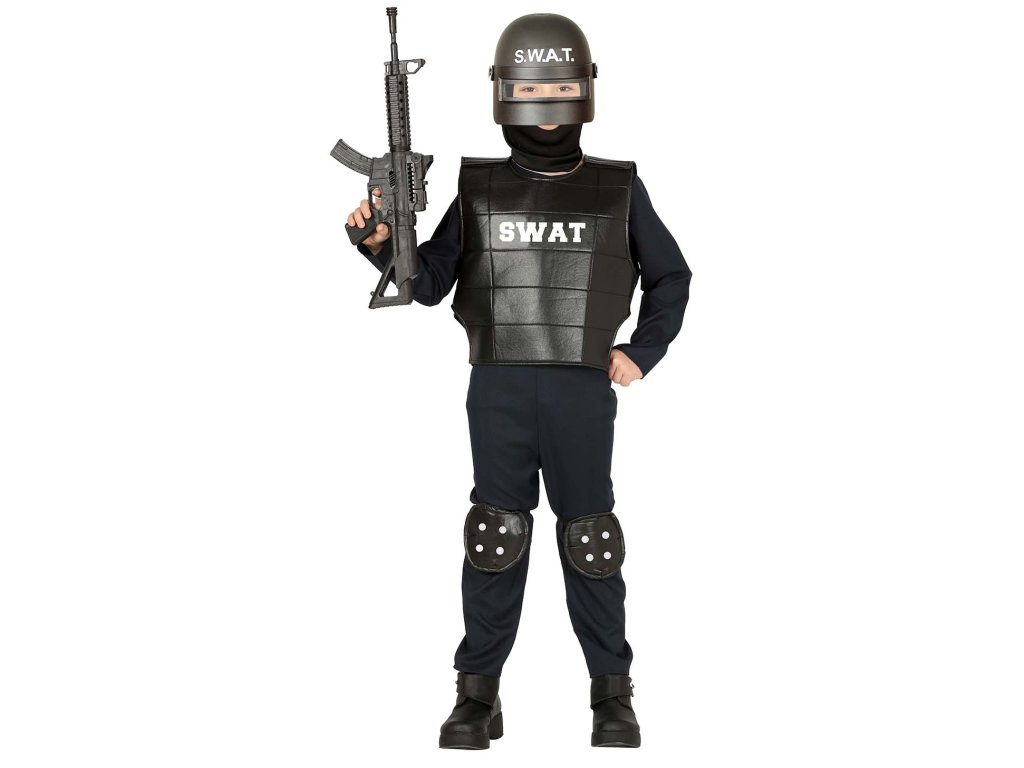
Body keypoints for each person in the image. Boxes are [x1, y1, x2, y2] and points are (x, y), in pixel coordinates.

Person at [345, 13, 691, 749]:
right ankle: (477, 694)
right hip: (498, 386)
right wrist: (380, 243)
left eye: (559, 86)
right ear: (506, 92)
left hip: (581, 389)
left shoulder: (619, 187)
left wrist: (642, 352)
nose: (546, 101)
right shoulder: (478, 187)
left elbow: (671, 276)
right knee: (494, 536)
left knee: (590, 537)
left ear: (584, 90)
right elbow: (430, 282)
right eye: (532, 88)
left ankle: (611, 692)